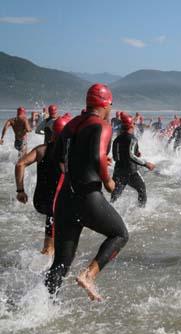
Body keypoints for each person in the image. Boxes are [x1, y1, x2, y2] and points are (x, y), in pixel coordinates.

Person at [44, 84, 128, 301]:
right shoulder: (102, 125)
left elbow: (58, 160)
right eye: (110, 105)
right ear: (105, 103)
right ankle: (89, 275)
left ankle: (44, 305)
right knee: (120, 234)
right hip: (87, 196)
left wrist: (87, 165)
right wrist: (108, 181)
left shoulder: (70, 124)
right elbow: (99, 157)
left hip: (65, 200)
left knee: (60, 263)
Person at [14, 115, 70, 255]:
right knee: (50, 246)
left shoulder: (41, 150)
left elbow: (20, 163)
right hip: (56, 204)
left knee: (57, 236)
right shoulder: (68, 153)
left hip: (40, 200)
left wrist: (20, 190)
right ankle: (44, 272)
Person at [111, 113, 155, 207]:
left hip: (118, 171)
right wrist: (146, 164)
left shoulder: (117, 139)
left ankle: (109, 213)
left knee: (115, 195)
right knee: (142, 189)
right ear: (131, 125)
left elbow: (115, 157)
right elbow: (131, 156)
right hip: (131, 171)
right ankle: (141, 211)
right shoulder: (132, 139)